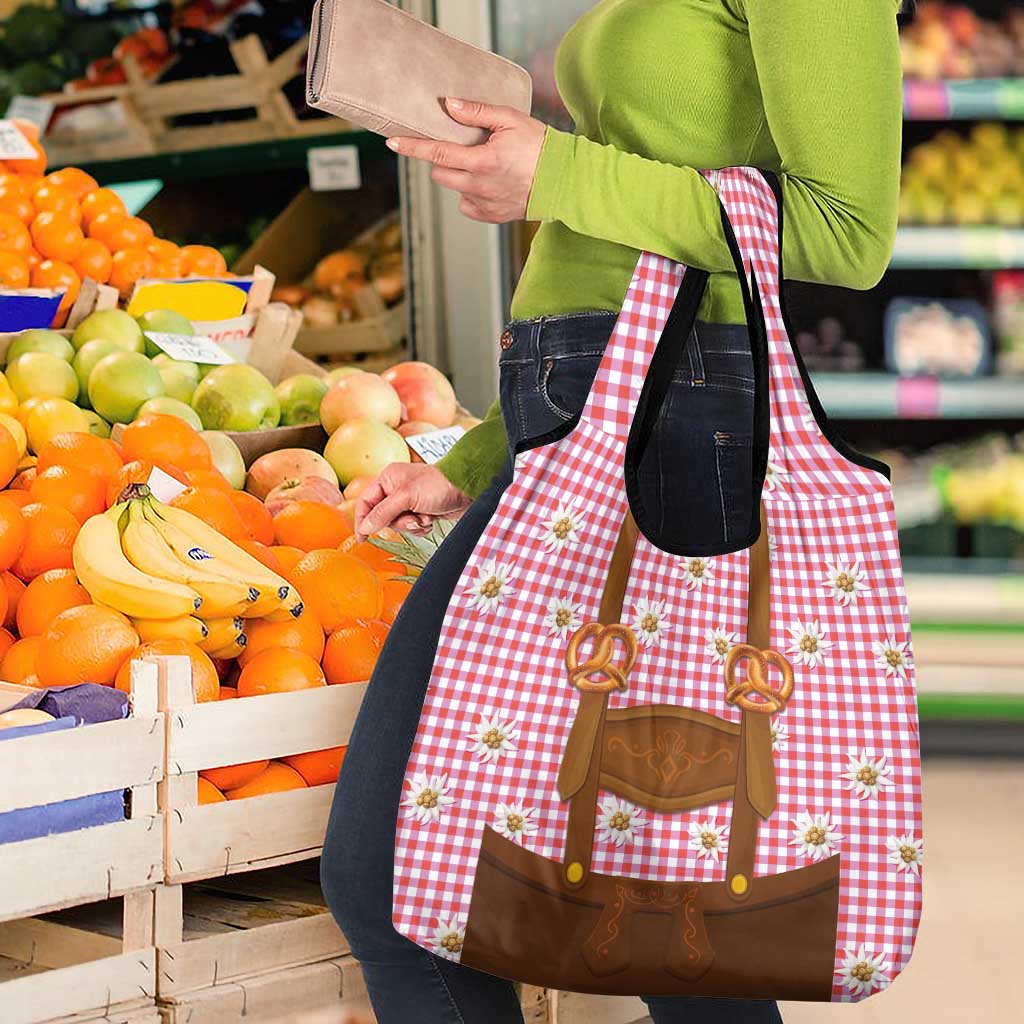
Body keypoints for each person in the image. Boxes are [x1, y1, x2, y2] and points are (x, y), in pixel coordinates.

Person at [321, 2, 904, 1022]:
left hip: (677, 429)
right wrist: (479, 456)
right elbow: (618, 246)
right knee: (646, 918)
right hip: (590, 421)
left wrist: (557, 172)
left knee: (434, 883)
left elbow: (847, 230)